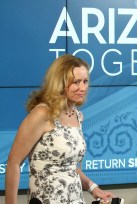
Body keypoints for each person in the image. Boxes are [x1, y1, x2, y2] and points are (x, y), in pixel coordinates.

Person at [5, 54, 114, 204]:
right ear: (60, 83)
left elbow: (68, 167)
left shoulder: (78, 116)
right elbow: (13, 163)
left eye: (85, 81)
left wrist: (94, 188)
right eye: (76, 82)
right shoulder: (43, 114)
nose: (82, 88)